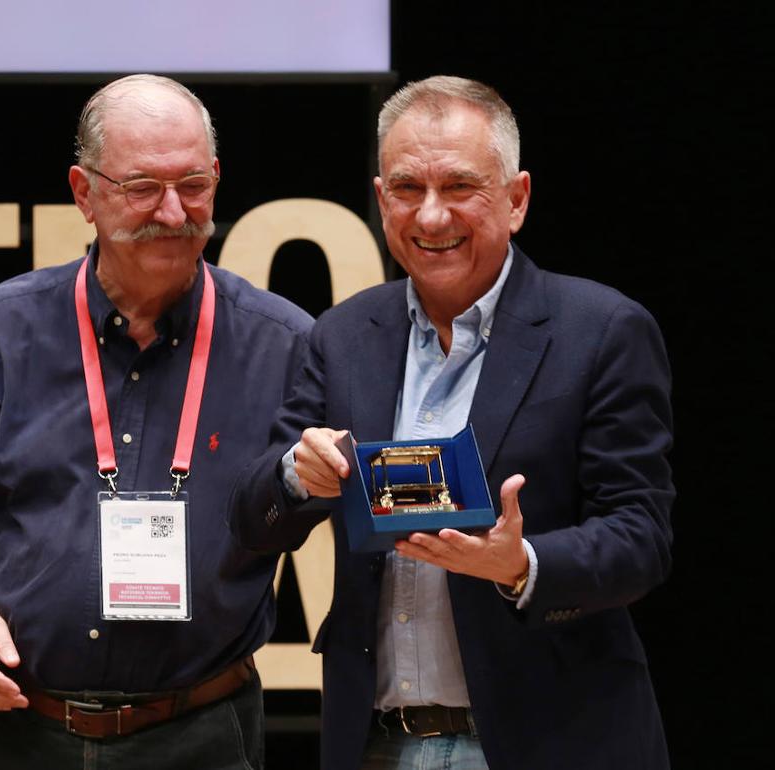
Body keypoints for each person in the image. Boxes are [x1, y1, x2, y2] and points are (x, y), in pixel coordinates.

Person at [230, 76, 675, 769]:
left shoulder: (602, 331)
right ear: (381, 200)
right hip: (377, 743)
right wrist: (295, 476)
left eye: (460, 187)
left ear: (517, 198)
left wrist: (521, 565)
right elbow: (253, 517)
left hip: (547, 741)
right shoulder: (341, 337)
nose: (431, 217)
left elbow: (642, 537)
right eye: (407, 189)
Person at [0, 74, 312, 769]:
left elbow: (302, 515)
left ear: (218, 179)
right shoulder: (0, 331)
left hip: (198, 736)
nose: (172, 211)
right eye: (143, 187)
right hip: (7, 731)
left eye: (193, 185)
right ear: (84, 192)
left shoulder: (284, 344)